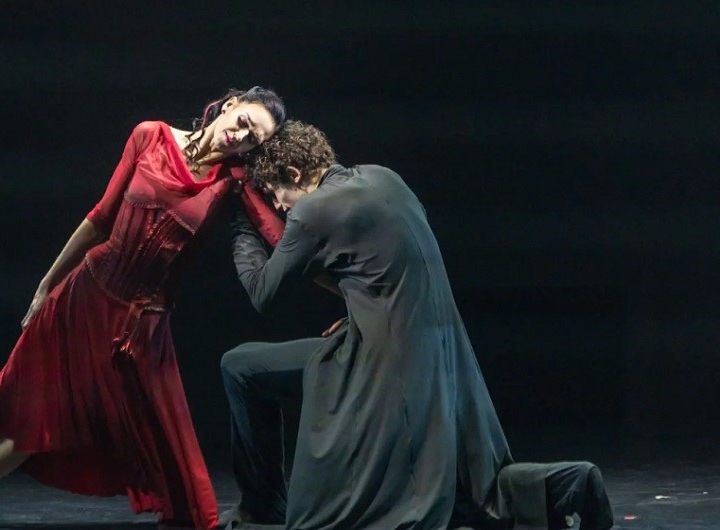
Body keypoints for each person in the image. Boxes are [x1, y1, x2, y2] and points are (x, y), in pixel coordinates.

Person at [0, 87, 286, 530]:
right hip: (84, 297)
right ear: (230, 106)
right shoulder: (150, 136)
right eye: (244, 122)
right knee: (2, 404)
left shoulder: (233, 182)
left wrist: (339, 268)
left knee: (47, 426)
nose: (241, 136)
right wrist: (46, 285)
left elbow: (281, 236)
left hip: (136, 325)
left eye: (253, 138)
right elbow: (100, 219)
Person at [218, 121, 613, 529]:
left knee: (241, 366)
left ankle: (263, 505)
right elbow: (387, 269)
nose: (280, 207)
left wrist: (241, 223)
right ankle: (570, 483)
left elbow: (262, 291)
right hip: (444, 357)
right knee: (478, 493)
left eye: (276, 194)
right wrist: (359, 311)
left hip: (383, 363)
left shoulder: (314, 211)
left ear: (295, 174)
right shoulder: (385, 178)